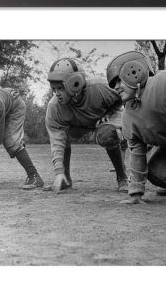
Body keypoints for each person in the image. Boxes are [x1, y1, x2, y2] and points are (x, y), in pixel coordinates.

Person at [106, 51, 166, 204]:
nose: (115, 87)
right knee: (157, 173)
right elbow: (136, 153)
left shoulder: (165, 83)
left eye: (118, 81)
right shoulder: (128, 117)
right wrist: (135, 193)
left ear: (134, 70)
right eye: (112, 84)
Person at [45, 57, 128, 193]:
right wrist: (59, 171)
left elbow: (124, 96)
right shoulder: (54, 107)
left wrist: (110, 112)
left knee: (106, 134)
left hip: (105, 118)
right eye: (54, 89)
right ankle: (65, 179)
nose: (56, 93)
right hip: (80, 125)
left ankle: (122, 178)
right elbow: (57, 141)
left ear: (75, 83)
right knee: (63, 135)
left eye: (60, 88)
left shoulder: (99, 88)